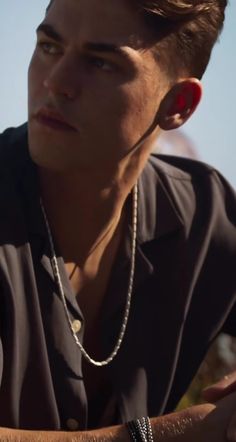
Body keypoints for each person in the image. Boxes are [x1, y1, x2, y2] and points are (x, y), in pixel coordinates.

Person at [0, 0, 236, 440]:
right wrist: (171, 434)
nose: (56, 82)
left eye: (101, 63)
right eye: (49, 46)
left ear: (178, 103)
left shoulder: (206, 212)